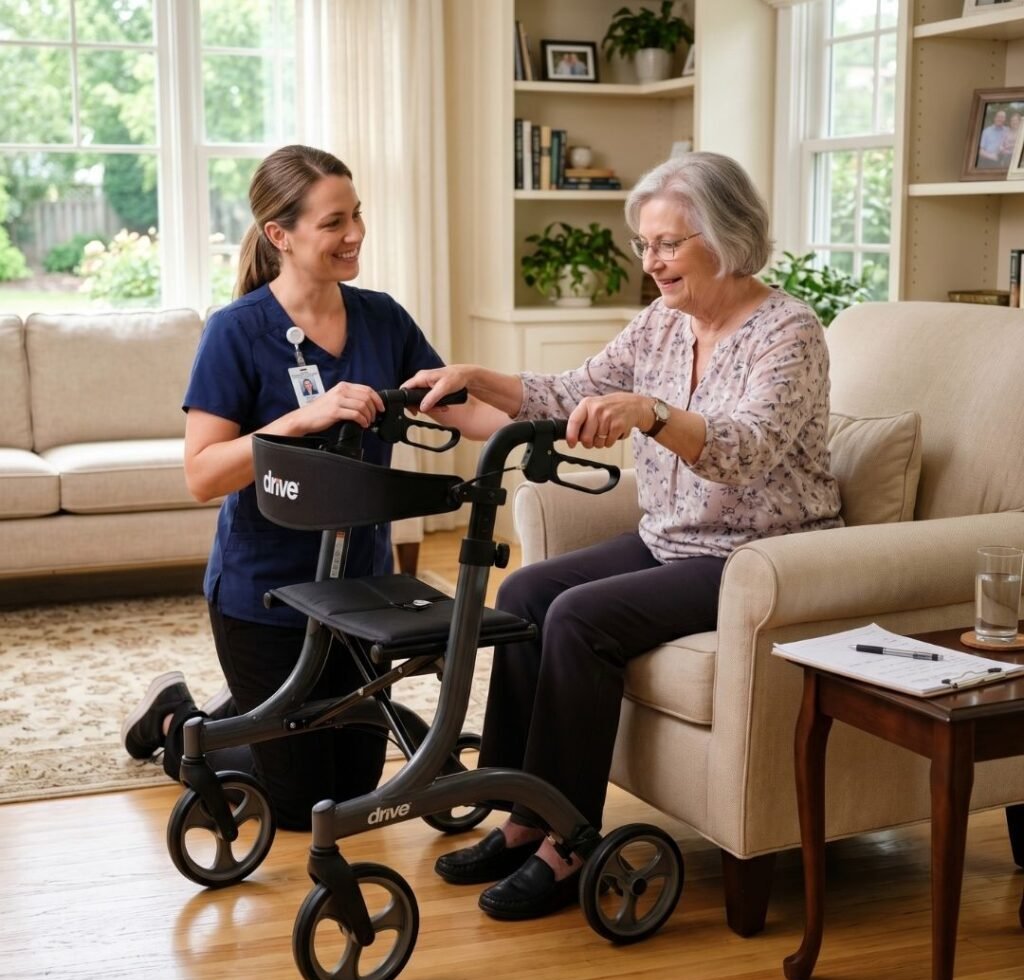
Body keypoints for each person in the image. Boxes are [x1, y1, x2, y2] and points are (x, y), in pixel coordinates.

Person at [404, 151, 843, 921]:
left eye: (669, 243)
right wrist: (478, 377)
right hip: (673, 538)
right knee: (528, 591)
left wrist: (651, 413)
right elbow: (573, 391)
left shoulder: (790, 332)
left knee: (580, 617)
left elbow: (745, 449)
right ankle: (522, 812)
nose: (653, 261)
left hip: (758, 556)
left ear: (728, 235)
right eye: (646, 244)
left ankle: (568, 843)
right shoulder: (662, 324)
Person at [120, 144, 504, 830]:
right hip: (263, 597)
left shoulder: (383, 317)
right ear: (280, 235)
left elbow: (469, 414)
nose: (354, 234)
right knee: (298, 809)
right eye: (333, 223)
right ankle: (180, 719)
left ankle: (248, 715)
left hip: (358, 596)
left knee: (350, 795)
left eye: (356, 215)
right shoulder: (235, 332)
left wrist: (560, 418)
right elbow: (202, 473)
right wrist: (300, 420)